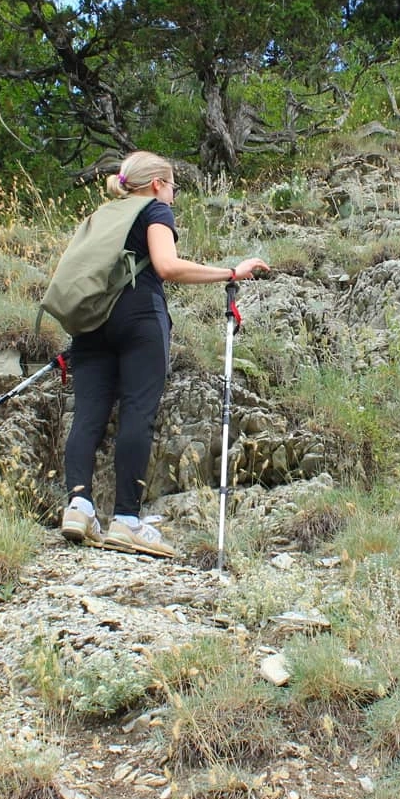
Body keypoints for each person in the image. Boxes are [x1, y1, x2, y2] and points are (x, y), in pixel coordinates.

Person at [60, 150, 270, 557]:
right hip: (139, 317)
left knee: (87, 415)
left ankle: (79, 507)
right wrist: (230, 273)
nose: (173, 195)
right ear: (157, 183)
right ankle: (126, 521)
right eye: (173, 186)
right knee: (138, 411)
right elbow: (167, 266)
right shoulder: (154, 209)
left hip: (90, 321)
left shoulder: (101, 218)